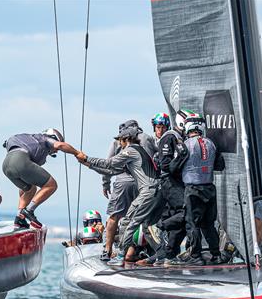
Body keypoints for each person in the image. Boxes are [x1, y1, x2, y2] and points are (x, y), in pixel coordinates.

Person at [76, 124, 160, 266]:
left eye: (120, 140)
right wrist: (88, 165)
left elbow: (109, 163)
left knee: (129, 223)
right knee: (147, 225)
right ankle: (163, 253)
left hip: (148, 191)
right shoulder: (139, 151)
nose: (118, 143)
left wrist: (87, 158)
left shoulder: (130, 150)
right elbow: (112, 170)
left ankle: (120, 255)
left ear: (126, 139)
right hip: (156, 190)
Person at [167, 117, 225, 266]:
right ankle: (216, 255)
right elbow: (220, 165)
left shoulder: (185, 145)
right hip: (210, 188)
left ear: (188, 128)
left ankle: (195, 256)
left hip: (193, 189)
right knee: (209, 224)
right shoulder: (211, 144)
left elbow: (173, 168)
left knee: (192, 223)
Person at [138, 111, 188, 266]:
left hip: (171, 184)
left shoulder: (167, 139)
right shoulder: (163, 139)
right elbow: (165, 165)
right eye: (157, 127)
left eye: (161, 127)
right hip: (167, 184)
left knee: (178, 217)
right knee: (181, 214)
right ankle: (160, 241)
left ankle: (169, 253)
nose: (159, 130)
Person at [2, 129, 79, 228]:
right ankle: (29, 211)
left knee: (29, 189)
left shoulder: (28, 138)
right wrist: (77, 153)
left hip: (6, 165)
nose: (56, 151)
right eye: (56, 150)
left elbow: (23, 190)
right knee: (51, 185)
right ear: (53, 138)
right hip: (20, 160)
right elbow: (60, 145)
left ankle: (19, 218)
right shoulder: (45, 139)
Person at [100, 121, 147, 260]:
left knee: (114, 216)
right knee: (137, 218)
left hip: (123, 182)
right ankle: (131, 252)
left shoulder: (117, 142)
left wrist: (105, 183)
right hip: (141, 183)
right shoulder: (146, 138)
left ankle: (107, 249)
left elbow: (108, 164)